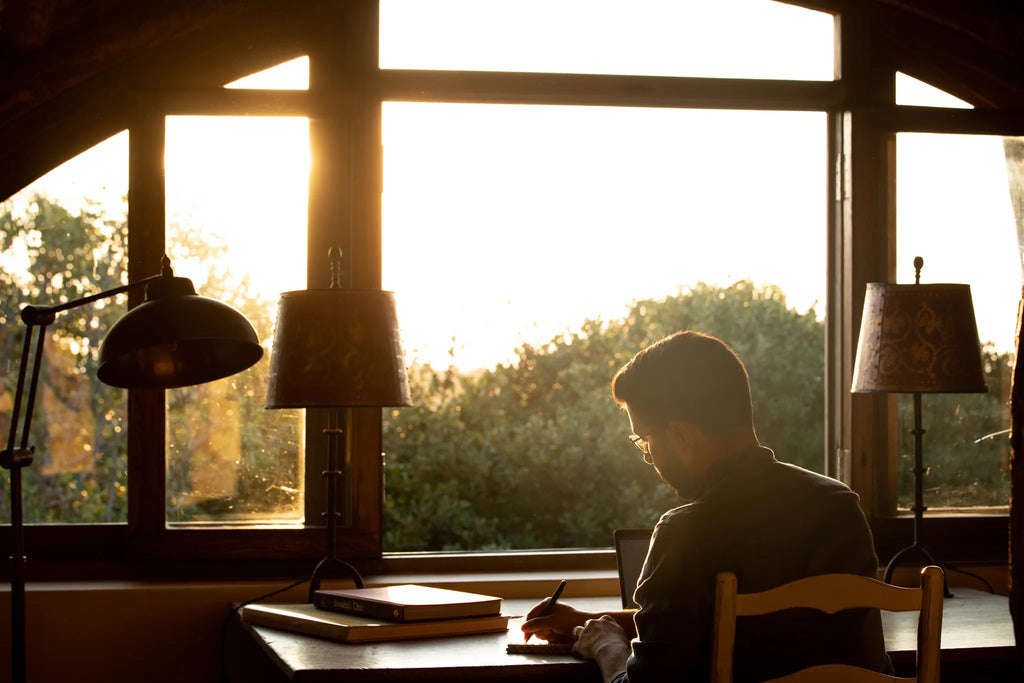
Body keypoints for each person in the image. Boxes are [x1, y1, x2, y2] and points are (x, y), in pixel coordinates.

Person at [521, 330, 891, 683]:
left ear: (681, 436)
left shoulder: (687, 532)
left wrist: (606, 644)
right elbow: (747, 623)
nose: (649, 456)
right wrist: (604, 622)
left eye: (645, 442)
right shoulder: (840, 506)